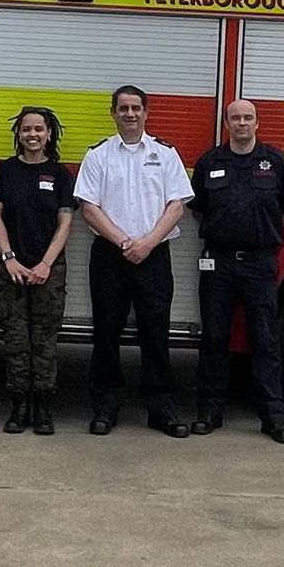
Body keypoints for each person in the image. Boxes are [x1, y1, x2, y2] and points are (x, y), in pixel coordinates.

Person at [74, 85, 194, 438]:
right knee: (106, 334)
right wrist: (126, 242)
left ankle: (161, 409)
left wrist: (147, 243)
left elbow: (177, 205)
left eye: (136, 108)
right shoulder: (98, 155)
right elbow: (87, 207)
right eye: (123, 108)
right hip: (110, 255)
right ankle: (106, 408)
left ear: (146, 112)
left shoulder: (165, 154)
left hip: (154, 255)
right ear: (113, 113)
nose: (130, 114)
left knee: (155, 334)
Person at [188, 99, 284, 444]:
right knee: (214, 339)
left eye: (247, 118)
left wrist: (261, 237)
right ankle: (209, 412)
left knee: (265, 341)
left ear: (257, 123)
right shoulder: (209, 162)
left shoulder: (277, 161)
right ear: (226, 122)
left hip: (259, 263)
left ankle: (272, 417)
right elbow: (197, 211)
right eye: (235, 117)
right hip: (218, 263)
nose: (241, 123)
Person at [0, 107, 75, 435]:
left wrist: (45, 265)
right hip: (9, 269)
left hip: (48, 269)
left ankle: (44, 409)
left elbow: (65, 222)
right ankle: (19, 407)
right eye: (26, 129)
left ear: (49, 134)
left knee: (45, 340)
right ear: (18, 134)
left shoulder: (61, 175)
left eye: (39, 129)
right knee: (16, 339)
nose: (32, 135)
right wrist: (9, 258)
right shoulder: (5, 172)